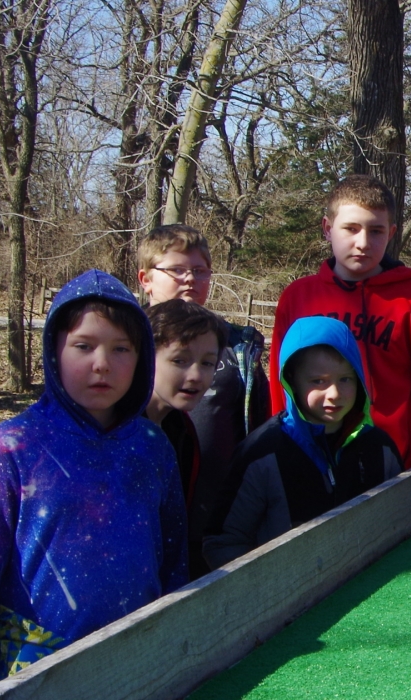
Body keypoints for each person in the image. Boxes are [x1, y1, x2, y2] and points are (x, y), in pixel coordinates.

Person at [0, 270, 187, 699]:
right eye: (83, 346)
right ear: (54, 352)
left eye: (121, 349)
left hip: (139, 664)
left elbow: (174, 558)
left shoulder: (152, 447)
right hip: (38, 671)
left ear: (143, 357)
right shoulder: (9, 449)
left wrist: (177, 650)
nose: (102, 364)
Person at [269, 174, 411, 470]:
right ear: (328, 229)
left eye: (376, 230)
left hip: (390, 464)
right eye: (351, 229)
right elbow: (280, 389)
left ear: (391, 233)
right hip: (311, 461)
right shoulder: (298, 297)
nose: (363, 243)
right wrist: (279, 456)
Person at [205, 316, 401, 568]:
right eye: (318, 381)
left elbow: (399, 518)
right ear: (293, 381)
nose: (334, 394)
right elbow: (223, 541)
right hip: (284, 594)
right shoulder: (263, 451)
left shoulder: (379, 448)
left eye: (345, 379)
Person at [136, 223, 267, 560]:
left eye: (199, 270)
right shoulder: (126, 348)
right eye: (177, 270)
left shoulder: (236, 346)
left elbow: (259, 431)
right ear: (145, 278)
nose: (190, 279)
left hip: (215, 517)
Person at [145, 299, 227, 576]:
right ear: (145, 356)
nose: (196, 375)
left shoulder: (181, 430)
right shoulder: (115, 434)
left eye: (207, 363)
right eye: (179, 360)